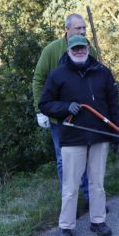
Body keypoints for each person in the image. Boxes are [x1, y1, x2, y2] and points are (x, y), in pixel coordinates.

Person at [39, 35, 119, 236]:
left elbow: (114, 104)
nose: (79, 51)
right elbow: (45, 104)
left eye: (82, 48)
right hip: (72, 137)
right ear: (68, 50)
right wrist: (65, 107)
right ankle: (66, 226)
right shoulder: (57, 74)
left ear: (88, 48)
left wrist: (118, 131)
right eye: (75, 48)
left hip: (99, 135)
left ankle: (98, 221)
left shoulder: (103, 72)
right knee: (71, 185)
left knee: (97, 183)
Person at [32, 13, 97, 207]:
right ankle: (69, 202)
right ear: (67, 29)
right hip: (59, 116)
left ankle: (90, 197)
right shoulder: (52, 50)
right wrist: (40, 109)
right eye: (79, 28)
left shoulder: (88, 49)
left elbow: (95, 78)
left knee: (85, 156)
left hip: (84, 114)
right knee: (63, 159)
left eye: (84, 28)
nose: (83, 32)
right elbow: (38, 79)